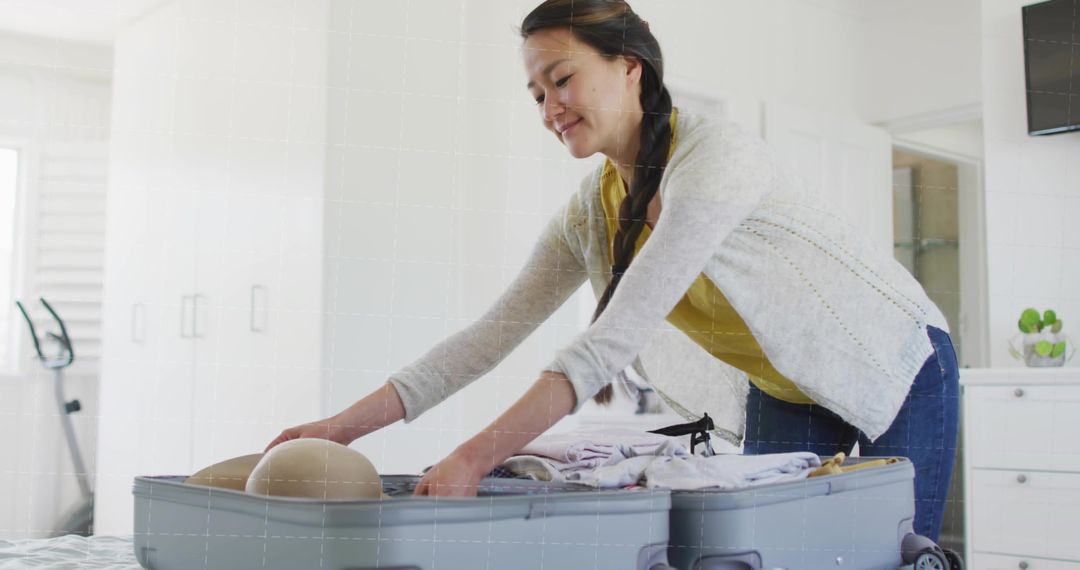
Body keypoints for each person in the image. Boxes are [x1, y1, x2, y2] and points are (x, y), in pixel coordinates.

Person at [266, 0, 959, 541]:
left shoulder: (716, 158)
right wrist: (343, 428)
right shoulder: (590, 211)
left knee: (894, 549)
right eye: (536, 93)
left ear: (630, 66)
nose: (549, 107)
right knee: (784, 550)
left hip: (893, 365)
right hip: (785, 387)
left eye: (561, 78)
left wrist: (474, 457)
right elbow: (489, 336)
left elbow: (611, 340)